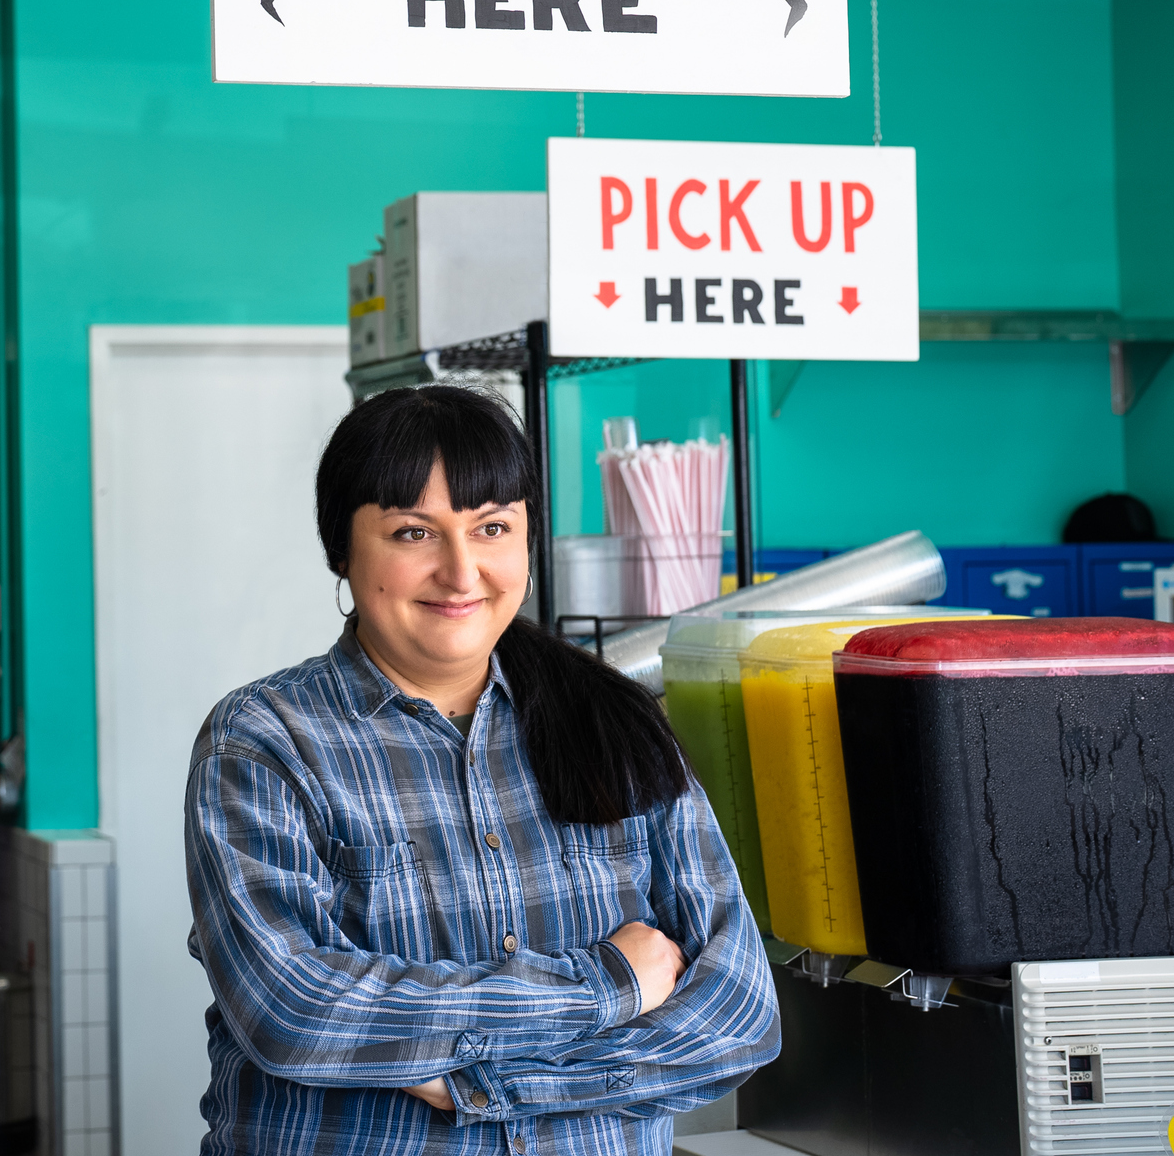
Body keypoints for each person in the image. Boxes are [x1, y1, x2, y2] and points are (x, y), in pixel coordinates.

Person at [184, 385, 778, 1155]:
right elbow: (295, 1011)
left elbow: (736, 1014)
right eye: (412, 533)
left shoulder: (615, 723)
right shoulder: (264, 741)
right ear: (342, 550)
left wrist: (484, 1085)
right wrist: (609, 982)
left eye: (491, 527)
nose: (461, 572)